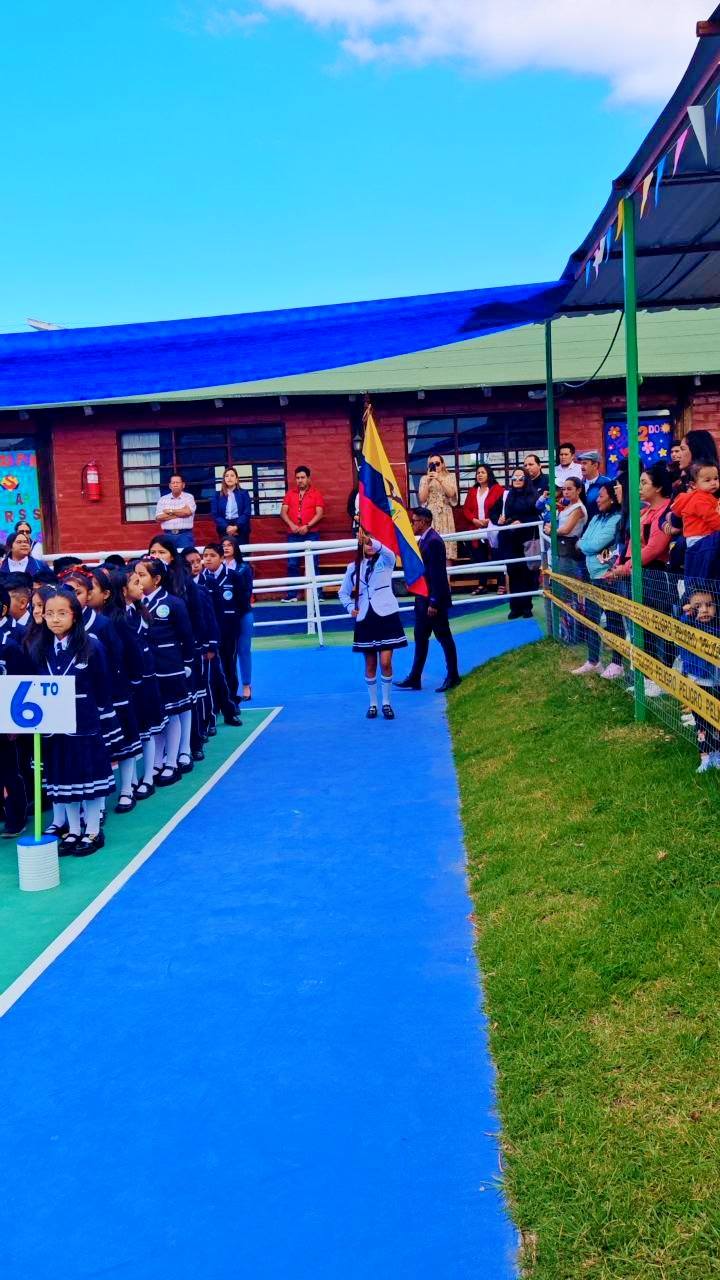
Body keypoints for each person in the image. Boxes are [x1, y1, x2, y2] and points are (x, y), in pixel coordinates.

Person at [39, 587, 120, 855]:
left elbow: (103, 686)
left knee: (89, 778)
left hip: (85, 724)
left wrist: (106, 722)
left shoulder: (92, 646)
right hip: (55, 727)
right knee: (65, 780)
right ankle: (73, 830)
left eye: (62, 613)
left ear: (75, 615)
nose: (55, 619)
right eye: (49, 613)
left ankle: (93, 830)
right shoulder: (41, 649)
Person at [602, 462, 673, 697]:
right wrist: (623, 566)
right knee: (643, 627)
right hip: (638, 573)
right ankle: (647, 676)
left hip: (657, 575)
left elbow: (654, 548)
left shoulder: (667, 511)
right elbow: (634, 544)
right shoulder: (643, 512)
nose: (639, 487)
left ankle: (661, 678)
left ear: (658, 487)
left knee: (659, 626)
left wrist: (625, 568)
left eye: (644, 483)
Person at [132, 557, 195, 786]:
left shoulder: (173, 603)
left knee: (173, 713)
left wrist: (187, 663)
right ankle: (157, 761)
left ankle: (172, 761)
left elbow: (186, 635)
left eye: (142, 575)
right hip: (148, 670)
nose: (138, 580)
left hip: (169, 667)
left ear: (157, 579)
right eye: (135, 575)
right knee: (156, 717)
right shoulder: (135, 605)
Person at [339, 533, 407, 719]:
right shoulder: (353, 567)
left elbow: (389, 553)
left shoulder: (386, 561)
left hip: (386, 615)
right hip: (365, 618)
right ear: (359, 545)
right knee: (370, 664)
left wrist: (371, 541)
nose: (368, 546)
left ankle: (386, 702)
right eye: (365, 542)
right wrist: (350, 607)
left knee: (385, 662)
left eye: (371, 542)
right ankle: (373, 704)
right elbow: (343, 592)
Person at [395, 507, 461, 693]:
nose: (412, 524)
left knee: (444, 637)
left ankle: (453, 675)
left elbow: (438, 574)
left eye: (414, 520)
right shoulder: (426, 540)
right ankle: (415, 677)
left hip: (433, 601)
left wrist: (434, 601)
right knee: (420, 637)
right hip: (423, 599)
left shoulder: (433, 542)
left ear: (423, 522)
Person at [572, 482, 625, 679]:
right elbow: (585, 541)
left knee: (614, 621)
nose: (597, 500)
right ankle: (593, 661)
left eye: (601, 496)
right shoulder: (595, 518)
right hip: (592, 576)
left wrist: (584, 545)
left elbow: (592, 545)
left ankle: (617, 664)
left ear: (612, 498)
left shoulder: (617, 519)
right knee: (592, 620)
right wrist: (585, 545)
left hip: (608, 577)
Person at [201, 542, 250, 715]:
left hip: (229, 629)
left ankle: (231, 701)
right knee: (210, 668)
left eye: (212, 555)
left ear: (222, 558)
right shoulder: (201, 578)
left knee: (229, 665)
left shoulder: (234, 576)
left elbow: (243, 602)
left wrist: (233, 619)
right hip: (208, 632)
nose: (208, 559)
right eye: (205, 555)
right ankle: (214, 704)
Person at [0, 584, 34, 838]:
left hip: (7, 715)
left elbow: (24, 680)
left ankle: (16, 817)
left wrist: (15, 721)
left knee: (9, 769)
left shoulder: (13, 641)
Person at [678, 587, 720, 772]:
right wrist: (687, 615)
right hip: (698, 682)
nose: (704, 610)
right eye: (698, 606)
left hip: (716, 682)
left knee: (717, 720)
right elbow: (681, 623)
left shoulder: (717, 627)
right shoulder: (688, 625)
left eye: (709, 605)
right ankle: (704, 756)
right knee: (701, 722)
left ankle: (717, 754)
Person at [497, 468, 539, 619]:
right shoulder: (509, 495)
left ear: (526, 479)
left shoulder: (534, 495)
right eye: (514, 478)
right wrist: (505, 521)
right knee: (513, 572)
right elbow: (504, 514)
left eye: (520, 478)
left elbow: (536, 515)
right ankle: (515, 607)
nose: (517, 481)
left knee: (527, 573)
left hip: (527, 538)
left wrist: (522, 521)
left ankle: (527, 606)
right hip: (511, 538)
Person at [280, 465, 325, 601]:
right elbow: (283, 512)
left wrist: (308, 526)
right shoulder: (290, 494)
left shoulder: (316, 494)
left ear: (308, 478)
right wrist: (291, 525)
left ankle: (317, 595)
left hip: (311, 534)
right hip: (293, 534)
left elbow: (320, 513)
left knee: (313, 564)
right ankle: (292, 595)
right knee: (292, 564)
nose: (300, 480)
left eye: (302, 477)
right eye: (297, 478)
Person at [670, 462, 720, 581]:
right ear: (693, 484)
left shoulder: (706, 496)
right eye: (707, 480)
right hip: (700, 538)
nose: (713, 483)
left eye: (716, 478)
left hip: (699, 537)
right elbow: (712, 518)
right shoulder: (699, 500)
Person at [462, 464, 504, 593]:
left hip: (493, 528)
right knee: (480, 557)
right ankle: (482, 584)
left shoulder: (498, 489)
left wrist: (490, 520)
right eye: (478, 473)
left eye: (483, 472)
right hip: (476, 528)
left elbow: (501, 508)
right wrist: (474, 520)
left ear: (489, 474)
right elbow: (466, 509)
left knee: (497, 555)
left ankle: (501, 584)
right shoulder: (472, 491)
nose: (479, 475)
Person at [418, 455, 459, 562]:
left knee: (447, 547)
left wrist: (439, 479)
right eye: (432, 464)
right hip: (430, 516)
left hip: (445, 515)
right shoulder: (424, 479)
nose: (435, 466)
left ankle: (448, 573)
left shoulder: (450, 477)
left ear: (443, 464)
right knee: (431, 548)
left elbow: (451, 493)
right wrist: (428, 482)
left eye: (437, 463)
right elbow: (422, 499)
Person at [154, 473, 197, 549]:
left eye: (178, 482)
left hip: (185, 536)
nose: (175, 485)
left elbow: (188, 512)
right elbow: (159, 518)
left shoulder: (189, 497)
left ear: (183, 485)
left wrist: (170, 511)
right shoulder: (163, 499)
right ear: (170, 486)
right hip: (168, 535)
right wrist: (181, 512)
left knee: (186, 556)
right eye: (173, 483)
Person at [210, 467, 251, 543]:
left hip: (241, 528)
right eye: (227, 476)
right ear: (224, 480)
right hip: (224, 529)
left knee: (242, 550)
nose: (229, 478)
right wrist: (227, 527)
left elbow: (247, 513)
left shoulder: (244, 493)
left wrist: (236, 527)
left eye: (232, 475)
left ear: (236, 479)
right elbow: (215, 514)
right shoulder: (217, 495)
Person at [577, 451, 612, 519]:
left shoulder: (606, 482)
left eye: (585, 463)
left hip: (600, 522)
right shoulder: (579, 484)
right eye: (581, 464)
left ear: (595, 465)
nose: (581, 467)